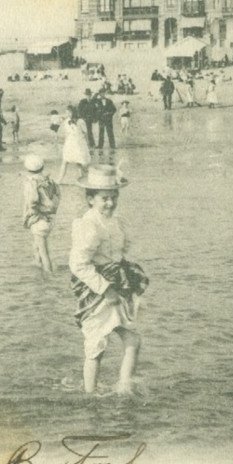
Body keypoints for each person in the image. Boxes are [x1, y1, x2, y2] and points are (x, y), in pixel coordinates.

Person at [69, 164, 148, 394]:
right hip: (97, 291)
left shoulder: (114, 220)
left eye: (114, 197)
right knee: (96, 347)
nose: (110, 203)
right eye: (105, 198)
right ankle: (90, 394)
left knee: (133, 339)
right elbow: (77, 264)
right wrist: (105, 289)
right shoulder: (89, 226)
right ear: (91, 198)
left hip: (116, 285)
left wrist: (124, 277)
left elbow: (122, 247)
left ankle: (124, 386)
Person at [22, 154, 61, 272]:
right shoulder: (50, 181)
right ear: (42, 167)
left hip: (39, 220)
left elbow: (32, 201)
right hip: (50, 219)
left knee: (44, 252)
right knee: (37, 245)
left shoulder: (31, 183)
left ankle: (48, 275)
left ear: (27, 169)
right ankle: (37, 264)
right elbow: (58, 196)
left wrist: (30, 212)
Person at [57, 106, 91, 184]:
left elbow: (86, 133)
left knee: (79, 163)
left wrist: (87, 144)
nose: (67, 114)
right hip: (70, 143)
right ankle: (59, 180)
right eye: (66, 112)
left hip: (79, 143)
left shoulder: (80, 121)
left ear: (73, 112)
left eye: (69, 112)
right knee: (65, 161)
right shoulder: (66, 121)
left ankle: (82, 180)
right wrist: (65, 144)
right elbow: (66, 133)